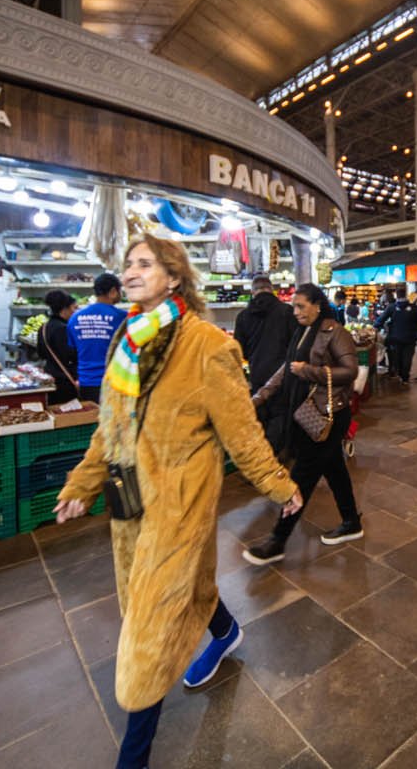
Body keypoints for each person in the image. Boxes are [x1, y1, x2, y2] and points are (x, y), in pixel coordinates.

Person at [52, 235, 303, 769]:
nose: (132, 270)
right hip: (129, 506)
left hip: (179, 509)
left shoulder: (207, 345)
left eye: (146, 263)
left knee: (147, 628)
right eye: (129, 263)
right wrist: (81, 484)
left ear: (174, 276)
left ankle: (134, 757)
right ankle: (226, 631)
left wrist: (280, 486)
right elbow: (110, 430)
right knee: (186, 590)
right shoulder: (129, 338)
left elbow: (243, 434)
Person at [243, 283, 363, 564]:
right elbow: (285, 371)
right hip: (307, 411)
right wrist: (258, 399)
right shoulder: (301, 332)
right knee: (334, 468)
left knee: (304, 474)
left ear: (317, 305)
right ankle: (351, 522)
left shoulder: (334, 331)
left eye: (301, 306)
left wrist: (308, 371)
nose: (295, 311)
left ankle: (278, 539)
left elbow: (350, 371)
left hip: (327, 414)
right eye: (294, 306)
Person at [234, 276, 297, 451]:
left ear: (253, 292)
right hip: (282, 374)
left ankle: (262, 454)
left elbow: (239, 350)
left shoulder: (243, 316)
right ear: (271, 289)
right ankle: (274, 455)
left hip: (257, 373)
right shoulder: (287, 311)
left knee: (260, 415)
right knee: (280, 415)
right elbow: (295, 345)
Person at [68, 272, 125, 402]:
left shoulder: (75, 318)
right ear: (113, 291)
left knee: (92, 419)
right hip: (114, 381)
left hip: (85, 382)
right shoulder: (121, 317)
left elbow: (73, 350)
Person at [36, 289, 80, 404]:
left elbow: (41, 353)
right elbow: (71, 356)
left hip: (50, 377)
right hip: (65, 381)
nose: (75, 312)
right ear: (64, 309)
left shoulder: (44, 327)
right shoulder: (63, 328)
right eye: (73, 308)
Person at [375, 290, 417, 383]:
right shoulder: (414, 308)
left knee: (397, 357)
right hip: (410, 338)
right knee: (407, 358)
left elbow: (380, 319)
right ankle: (405, 377)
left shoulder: (391, 307)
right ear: (406, 295)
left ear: (397, 296)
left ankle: (399, 374)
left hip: (395, 338)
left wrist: (376, 327)